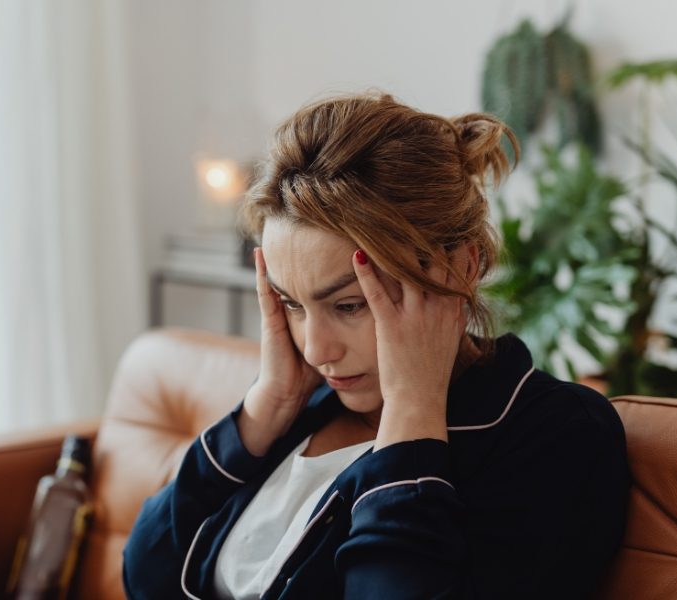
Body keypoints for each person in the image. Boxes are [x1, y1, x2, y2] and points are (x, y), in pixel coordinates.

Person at [122, 92, 630, 599]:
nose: (317, 350)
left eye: (348, 305)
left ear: (461, 267)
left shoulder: (554, 434)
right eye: (292, 304)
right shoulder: (304, 407)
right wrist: (264, 409)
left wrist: (413, 414)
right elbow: (144, 574)